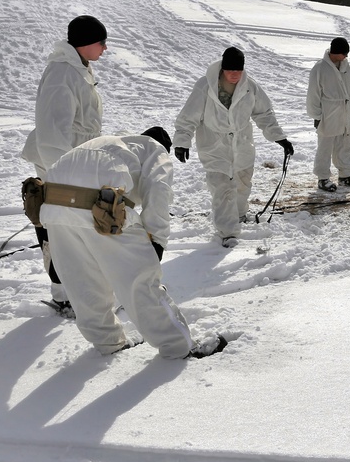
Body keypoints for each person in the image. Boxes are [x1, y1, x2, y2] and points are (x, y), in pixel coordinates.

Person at [39, 127, 226, 359]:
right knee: (141, 282)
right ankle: (179, 346)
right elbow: (159, 190)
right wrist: (156, 241)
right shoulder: (155, 149)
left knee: (83, 281)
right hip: (100, 205)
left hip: (53, 205)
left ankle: (108, 343)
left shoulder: (111, 143)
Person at [20, 15, 108, 316]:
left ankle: (77, 288)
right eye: (101, 42)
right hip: (58, 166)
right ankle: (63, 294)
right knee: (58, 229)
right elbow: (51, 132)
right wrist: (66, 176)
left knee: (71, 229)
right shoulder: (62, 74)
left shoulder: (78, 68)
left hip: (75, 163)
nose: (105, 48)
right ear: (85, 43)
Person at [173, 47, 293, 248]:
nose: (235, 74)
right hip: (214, 146)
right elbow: (188, 117)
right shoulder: (206, 86)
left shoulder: (249, 87)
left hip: (242, 144)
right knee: (222, 187)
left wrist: (279, 138)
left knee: (242, 183)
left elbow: (264, 114)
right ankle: (227, 232)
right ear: (222, 69)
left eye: (239, 70)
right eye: (230, 70)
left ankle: (239, 214)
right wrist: (182, 141)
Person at [307, 37, 350, 192]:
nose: (346, 57)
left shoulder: (345, 66)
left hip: (344, 112)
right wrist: (316, 116)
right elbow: (313, 94)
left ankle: (345, 176)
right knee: (325, 147)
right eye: (344, 53)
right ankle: (323, 178)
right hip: (328, 113)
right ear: (335, 52)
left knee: (345, 145)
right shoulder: (319, 68)